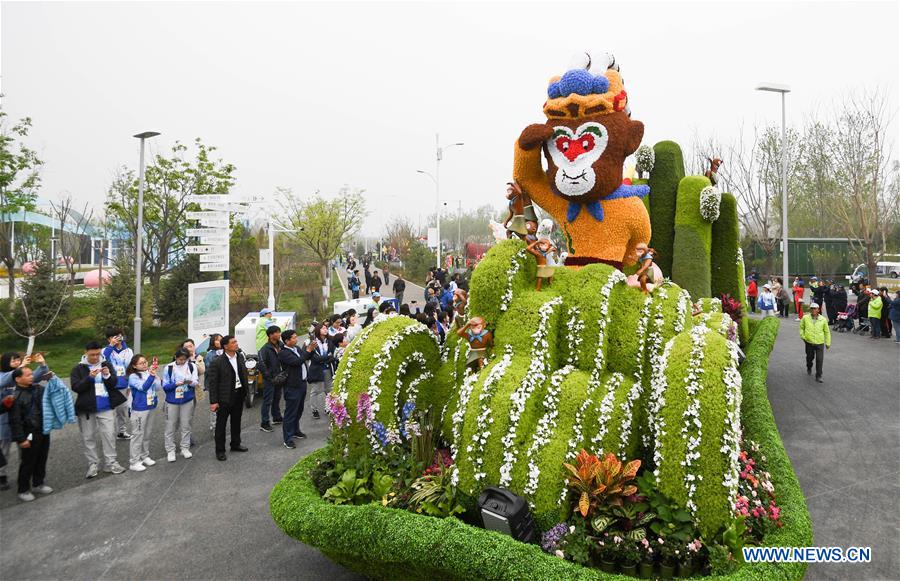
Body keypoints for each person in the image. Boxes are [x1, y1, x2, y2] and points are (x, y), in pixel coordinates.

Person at [71, 341, 127, 477]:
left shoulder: (106, 364)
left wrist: (107, 375)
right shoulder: (78, 369)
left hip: (106, 406)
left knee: (109, 435)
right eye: (92, 355)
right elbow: (76, 387)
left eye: (98, 354)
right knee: (88, 436)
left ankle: (111, 463)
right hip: (87, 409)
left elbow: (114, 383)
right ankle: (93, 464)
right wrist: (89, 378)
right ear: (86, 353)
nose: (96, 357)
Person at [1, 352, 50, 491]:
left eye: (18, 360)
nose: (17, 362)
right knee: (4, 450)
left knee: (27, 454)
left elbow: (34, 376)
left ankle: (32, 480)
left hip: (24, 422)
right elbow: (6, 380)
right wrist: (20, 369)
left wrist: (42, 364)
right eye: (13, 361)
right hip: (4, 420)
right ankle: (2, 475)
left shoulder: (22, 377)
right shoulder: (4, 377)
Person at [7, 367, 54, 502]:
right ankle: (23, 489)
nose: (31, 377)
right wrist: (21, 439)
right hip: (28, 433)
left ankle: (38, 483)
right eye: (27, 375)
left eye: (31, 374)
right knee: (28, 461)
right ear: (17, 379)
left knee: (41, 457)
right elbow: (15, 420)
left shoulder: (38, 389)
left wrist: (52, 380)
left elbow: (53, 395)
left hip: (43, 429)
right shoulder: (14, 396)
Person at [207, 335, 249, 461]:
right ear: (226, 346)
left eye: (236, 341)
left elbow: (243, 374)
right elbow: (213, 384)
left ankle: (235, 444)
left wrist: (245, 391)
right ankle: (220, 450)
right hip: (224, 398)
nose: (236, 344)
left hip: (239, 394)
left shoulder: (240, 357)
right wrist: (213, 401)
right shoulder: (217, 362)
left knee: (236, 422)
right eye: (233, 342)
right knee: (221, 425)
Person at [161, 348, 198, 462]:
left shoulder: (192, 366)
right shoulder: (169, 368)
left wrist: (190, 382)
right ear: (175, 357)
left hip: (187, 399)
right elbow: (165, 386)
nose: (183, 362)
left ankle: (185, 448)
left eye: (185, 360)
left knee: (186, 425)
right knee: (170, 425)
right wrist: (175, 384)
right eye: (180, 359)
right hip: (172, 401)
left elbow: (196, 382)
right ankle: (170, 450)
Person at [126, 354, 161, 472]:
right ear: (134, 366)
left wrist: (155, 376)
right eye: (141, 363)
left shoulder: (148, 373)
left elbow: (158, 388)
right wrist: (151, 376)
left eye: (145, 362)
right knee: (138, 434)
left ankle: (144, 456)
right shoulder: (133, 376)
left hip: (151, 406)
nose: (144, 364)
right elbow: (143, 387)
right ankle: (134, 461)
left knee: (147, 433)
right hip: (140, 409)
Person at [277, 330, 311, 448]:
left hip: (302, 383)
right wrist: (308, 351)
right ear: (287, 341)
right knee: (290, 412)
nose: (296, 339)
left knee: (299, 409)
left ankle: (296, 430)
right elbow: (297, 361)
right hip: (292, 386)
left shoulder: (296, 348)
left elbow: (305, 357)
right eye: (294, 338)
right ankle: (288, 438)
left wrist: (309, 349)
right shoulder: (283, 353)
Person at [102, 328, 134, 440]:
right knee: (110, 412)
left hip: (123, 385)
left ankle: (122, 431)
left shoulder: (128, 351)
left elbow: (131, 369)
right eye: (113, 337)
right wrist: (111, 346)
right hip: (110, 385)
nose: (117, 338)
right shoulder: (105, 350)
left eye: (118, 335)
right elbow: (102, 361)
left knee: (122, 411)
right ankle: (109, 433)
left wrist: (130, 385)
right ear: (109, 339)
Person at [257, 325, 284, 433]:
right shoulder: (265, 349)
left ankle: (276, 417)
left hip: (280, 377)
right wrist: (269, 377)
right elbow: (262, 364)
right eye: (277, 332)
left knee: (277, 397)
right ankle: (264, 423)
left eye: (279, 332)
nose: (279, 334)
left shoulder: (281, 345)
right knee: (267, 400)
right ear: (271, 335)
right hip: (270, 379)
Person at [307, 322, 334, 420]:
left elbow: (332, 357)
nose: (325, 329)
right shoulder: (313, 343)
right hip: (317, 369)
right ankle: (314, 410)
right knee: (316, 390)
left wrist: (325, 358)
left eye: (326, 328)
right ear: (318, 330)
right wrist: (327, 356)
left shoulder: (329, 341)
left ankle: (328, 407)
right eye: (323, 328)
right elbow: (315, 359)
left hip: (327, 369)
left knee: (329, 389)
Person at [799, 303, 830, 383]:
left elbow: (827, 332)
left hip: (820, 343)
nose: (813, 310)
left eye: (815, 308)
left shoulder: (823, 319)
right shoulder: (805, 318)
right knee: (809, 358)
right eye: (812, 308)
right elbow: (801, 328)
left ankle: (819, 376)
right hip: (809, 342)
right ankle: (809, 367)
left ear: (818, 310)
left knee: (819, 360)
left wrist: (828, 342)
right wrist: (803, 336)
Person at [203, 334, 223, 431]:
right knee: (215, 405)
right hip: (214, 384)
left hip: (224, 384)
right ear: (212, 342)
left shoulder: (225, 352)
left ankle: (220, 425)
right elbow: (210, 371)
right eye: (217, 340)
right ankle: (214, 425)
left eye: (221, 340)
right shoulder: (210, 354)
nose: (220, 341)